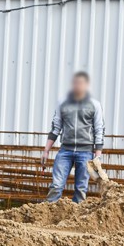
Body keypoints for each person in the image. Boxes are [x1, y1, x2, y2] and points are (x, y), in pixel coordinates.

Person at [41, 72, 105, 203]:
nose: (78, 86)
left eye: (81, 83)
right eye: (75, 83)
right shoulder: (62, 103)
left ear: (87, 85)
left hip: (85, 152)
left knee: (81, 188)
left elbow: (99, 129)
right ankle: (48, 214)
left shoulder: (94, 105)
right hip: (65, 151)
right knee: (56, 185)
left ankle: (76, 220)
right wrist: (46, 150)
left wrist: (97, 155)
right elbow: (55, 127)